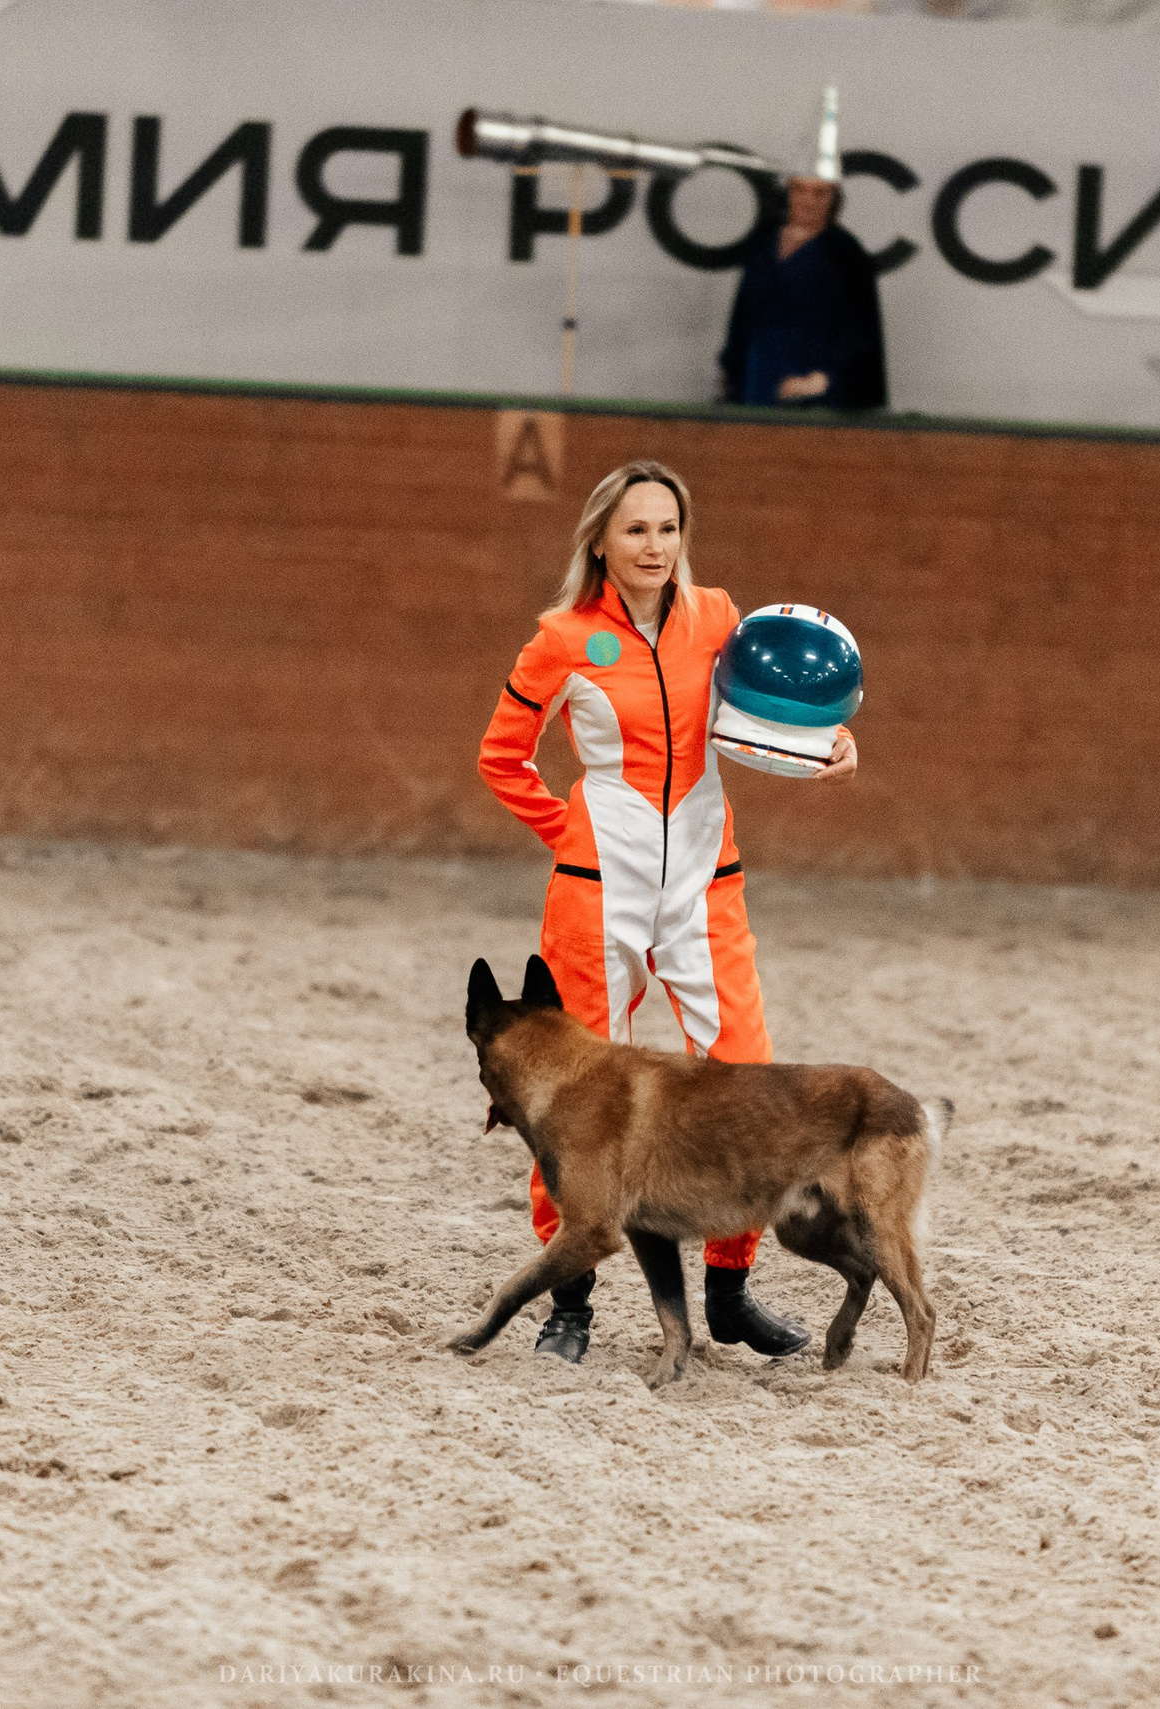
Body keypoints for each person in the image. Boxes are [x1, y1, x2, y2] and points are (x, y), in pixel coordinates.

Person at [477, 459, 858, 1364]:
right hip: (594, 893)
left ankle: (729, 1286)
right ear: (601, 538)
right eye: (638, 529)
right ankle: (569, 1299)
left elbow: (785, 708)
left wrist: (833, 741)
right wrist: (569, 829)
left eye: (670, 528)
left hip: (703, 886)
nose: (656, 546)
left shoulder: (722, 620)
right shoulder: (560, 639)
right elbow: (502, 758)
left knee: (751, 1076)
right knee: (571, 1099)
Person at [717, 172, 888, 412]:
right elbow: (744, 310)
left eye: (819, 193)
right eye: (799, 190)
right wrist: (730, 363)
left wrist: (826, 377)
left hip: (815, 376)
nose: (808, 201)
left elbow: (860, 326)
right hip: (758, 367)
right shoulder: (764, 242)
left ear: (834, 199)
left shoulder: (845, 251)